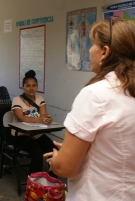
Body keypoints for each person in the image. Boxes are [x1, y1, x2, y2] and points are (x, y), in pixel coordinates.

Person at [44, 19, 135, 200]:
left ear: (104, 52)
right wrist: (82, 149)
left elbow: (65, 168)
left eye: (92, 45)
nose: (89, 51)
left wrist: (56, 160)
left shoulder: (96, 94)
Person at [11, 70, 55, 174]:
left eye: (34, 85)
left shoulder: (40, 99)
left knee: (53, 149)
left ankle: (53, 180)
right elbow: (22, 118)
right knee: (37, 152)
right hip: (21, 136)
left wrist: (48, 119)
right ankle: (36, 182)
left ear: (37, 87)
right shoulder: (17, 100)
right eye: (28, 86)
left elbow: (44, 115)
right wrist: (41, 118)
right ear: (23, 87)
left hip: (36, 134)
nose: (31, 88)